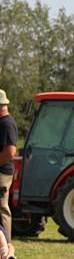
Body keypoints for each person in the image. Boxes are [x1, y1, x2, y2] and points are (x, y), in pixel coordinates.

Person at [0, 89, 17, 244]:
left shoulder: (7, 123)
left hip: (2, 174)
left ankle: (6, 248)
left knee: (2, 208)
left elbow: (10, 151)